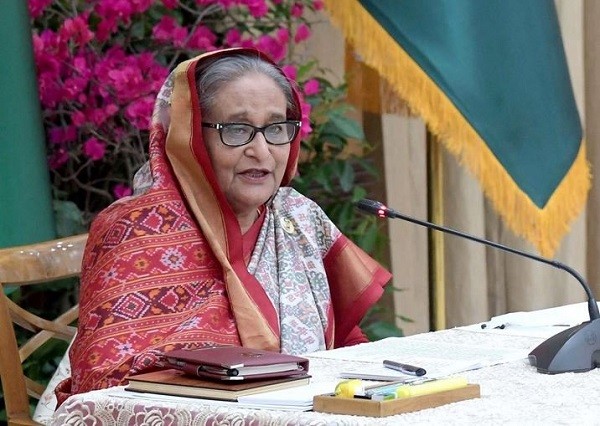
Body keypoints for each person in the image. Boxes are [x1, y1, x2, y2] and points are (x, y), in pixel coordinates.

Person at [55, 48, 391, 404]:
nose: (261, 151)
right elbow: (104, 389)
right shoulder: (135, 230)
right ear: (190, 138)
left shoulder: (298, 218)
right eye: (237, 129)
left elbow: (344, 342)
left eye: (276, 128)